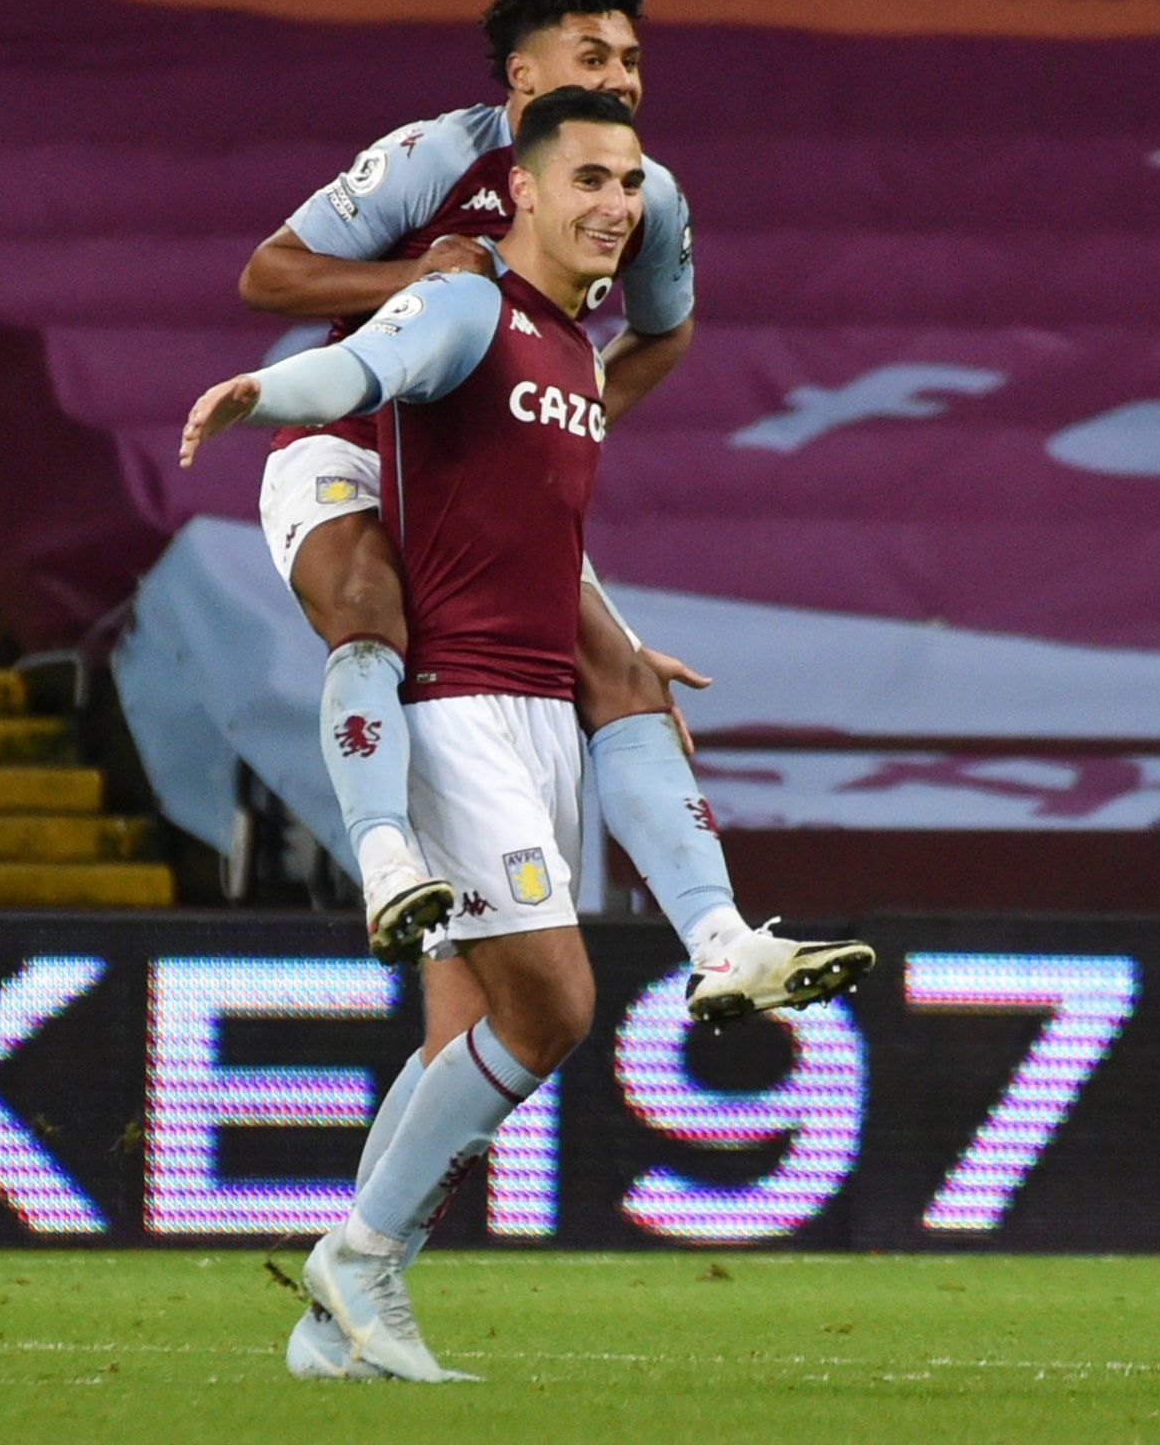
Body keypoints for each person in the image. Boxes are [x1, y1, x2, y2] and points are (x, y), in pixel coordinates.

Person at [184, 90, 873, 1384]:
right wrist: (262, 392)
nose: (616, 205)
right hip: (450, 712)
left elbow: (537, 532)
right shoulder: (468, 304)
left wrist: (617, 637)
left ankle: (338, 1318)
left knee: (510, 1015)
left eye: (630, 183)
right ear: (527, 192)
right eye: (590, 181)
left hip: (538, 709)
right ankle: (358, 1257)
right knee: (552, 1004)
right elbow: (358, 371)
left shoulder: (569, 349)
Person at [239, 0, 858, 1028]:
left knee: (622, 670)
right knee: (370, 605)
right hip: (352, 443)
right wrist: (430, 281)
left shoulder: (643, 192)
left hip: (480, 466)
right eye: (592, 55)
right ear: (522, 76)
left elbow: (665, 330)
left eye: (631, 59)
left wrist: (562, 415)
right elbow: (269, 274)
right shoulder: (436, 156)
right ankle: (381, 862)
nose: (620, 78)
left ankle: (722, 946)